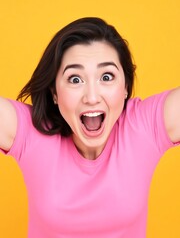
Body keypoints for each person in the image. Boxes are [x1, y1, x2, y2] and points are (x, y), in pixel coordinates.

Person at [0, 17, 179, 238]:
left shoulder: (143, 125)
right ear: (54, 93)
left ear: (125, 87)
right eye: (75, 79)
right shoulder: (31, 132)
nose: (92, 97)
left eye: (106, 77)